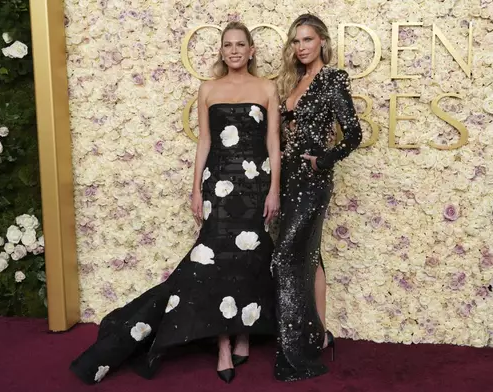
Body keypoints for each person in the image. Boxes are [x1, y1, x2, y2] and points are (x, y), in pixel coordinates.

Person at [69, 21, 281, 385]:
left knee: (250, 258)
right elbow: (204, 142)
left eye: (240, 45)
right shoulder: (208, 89)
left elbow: (274, 143)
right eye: (227, 45)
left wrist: (274, 189)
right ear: (221, 51)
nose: (233, 50)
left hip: (254, 186)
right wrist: (196, 189)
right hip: (218, 185)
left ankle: (244, 332)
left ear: (251, 51)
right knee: (214, 262)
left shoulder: (266, 88)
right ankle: (224, 344)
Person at [272, 13, 362, 382]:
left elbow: (353, 133)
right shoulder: (294, 81)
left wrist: (323, 159)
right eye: (296, 41)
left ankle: (297, 347)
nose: (301, 47)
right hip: (289, 180)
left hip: (312, 181)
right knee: (310, 255)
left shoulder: (331, 78)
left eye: (307, 40)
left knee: (285, 258)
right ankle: (320, 334)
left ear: (322, 41)